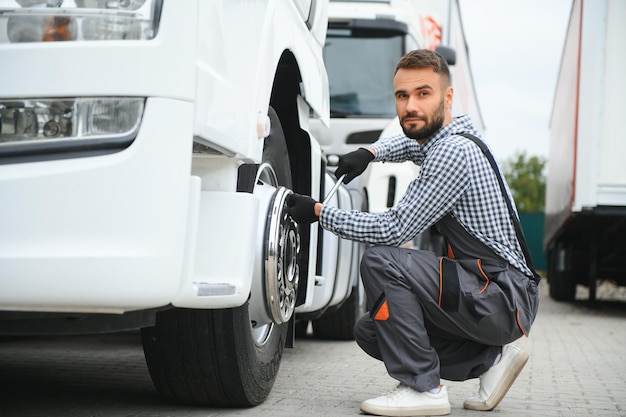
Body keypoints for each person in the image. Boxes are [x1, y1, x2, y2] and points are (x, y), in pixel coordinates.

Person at [286, 49, 540, 417]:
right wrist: (371, 152)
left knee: (382, 261)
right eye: (402, 96)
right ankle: (491, 360)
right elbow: (411, 143)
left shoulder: (453, 152)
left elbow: (394, 229)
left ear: (447, 97)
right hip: (493, 292)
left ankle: (424, 388)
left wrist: (320, 212)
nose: (411, 106)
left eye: (424, 94)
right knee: (373, 330)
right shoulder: (453, 136)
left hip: (500, 296)